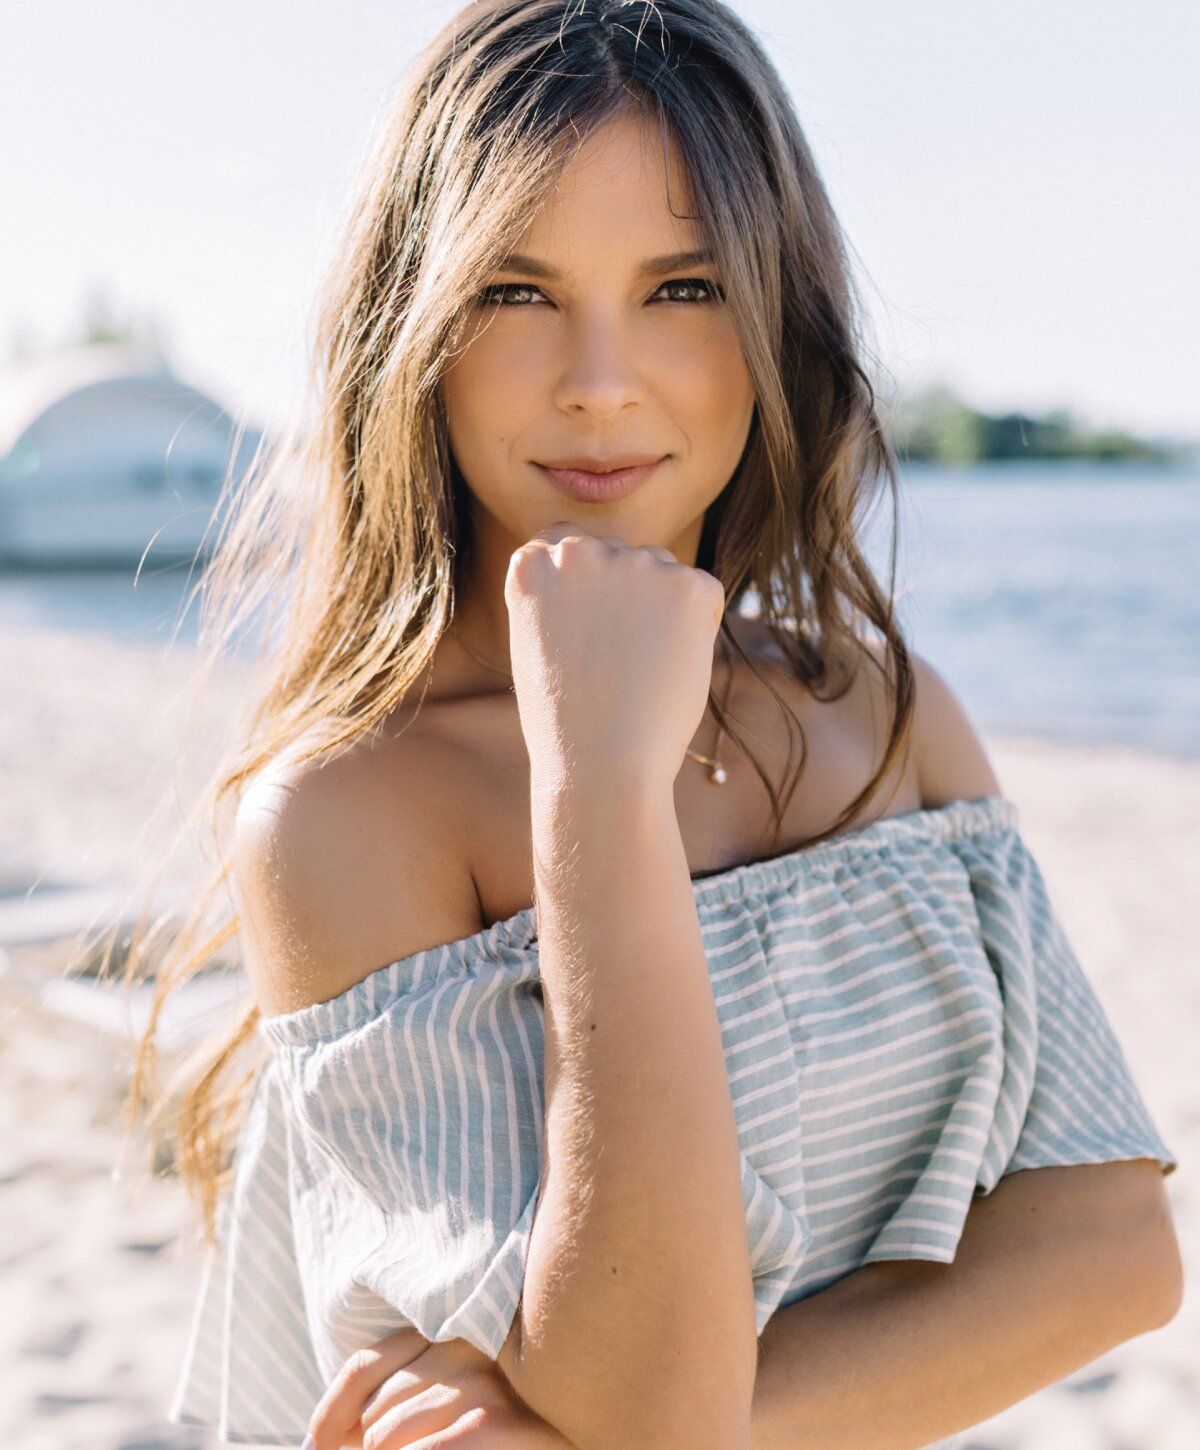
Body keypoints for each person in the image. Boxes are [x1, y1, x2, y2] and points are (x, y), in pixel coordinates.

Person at [129, 4, 1181, 1448]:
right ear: (412, 332)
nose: (600, 378)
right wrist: (601, 790)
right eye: (514, 290)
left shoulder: (881, 710)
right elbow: (645, 1399)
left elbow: (1118, 1248)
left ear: (775, 317)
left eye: (682, 288)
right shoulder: (352, 812)